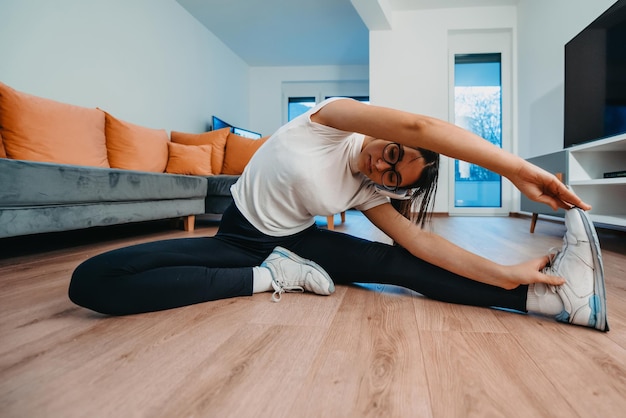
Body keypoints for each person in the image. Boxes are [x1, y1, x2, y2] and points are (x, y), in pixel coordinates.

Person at [68, 97, 608, 332]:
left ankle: (551, 301)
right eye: (391, 154)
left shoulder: (368, 190)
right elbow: (421, 129)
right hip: (236, 239)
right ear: (391, 138)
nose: (381, 165)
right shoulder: (329, 120)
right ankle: (267, 279)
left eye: (391, 177)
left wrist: (509, 274)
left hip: (301, 241)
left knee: (400, 268)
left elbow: (425, 247)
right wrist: (513, 169)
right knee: (92, 281)